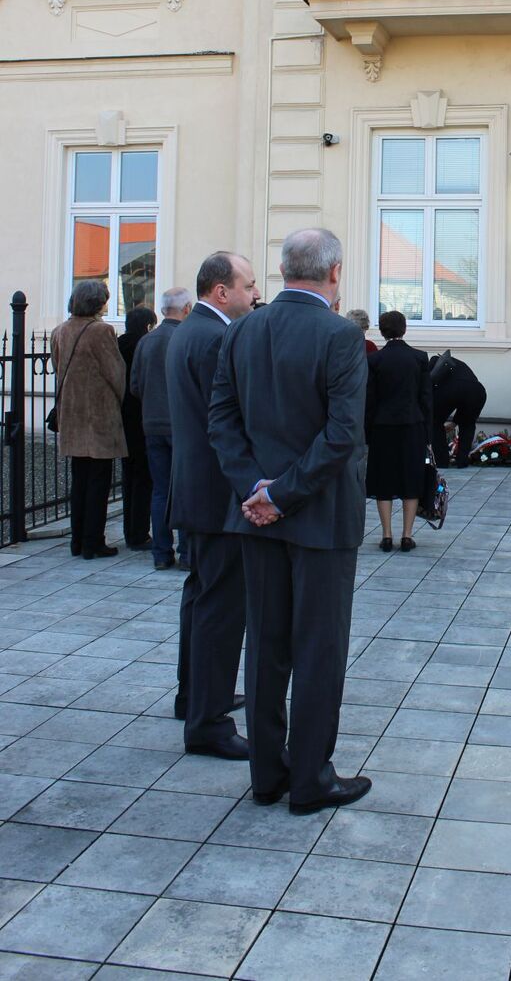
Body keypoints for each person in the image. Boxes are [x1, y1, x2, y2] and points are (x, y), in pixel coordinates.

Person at [208, 228, 371, 815]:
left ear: (281, 271)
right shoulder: (340, 335)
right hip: (319, 518)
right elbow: (342, 435)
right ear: (334, 273)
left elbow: (221, 421)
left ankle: (267, 774)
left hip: (257, 514)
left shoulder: (244, 328)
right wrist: (281, 494)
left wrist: (256, 489)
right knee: (319, 649)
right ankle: (310, 778)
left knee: (267, 645)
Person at [167, 252, 259, 759]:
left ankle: (197, 696)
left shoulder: (191, 330)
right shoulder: (214, 337)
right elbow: (227, 420)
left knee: (201, 600)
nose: (254, 294)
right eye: (248, 285)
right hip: (217, 495)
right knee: (220, 609)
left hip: (199, 490)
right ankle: (209, 722)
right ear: (221, 291)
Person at [50, 279, 127, 559]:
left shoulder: (60, 331)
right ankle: (93, 542)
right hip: (98, 415)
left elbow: (57, 367)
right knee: (98, 482)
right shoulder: (101, 331)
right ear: (98, 302)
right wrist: (119, 401)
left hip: (71, 414)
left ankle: (77, 540)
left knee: (79, 480)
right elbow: (116, 373)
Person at [131, 287, 192, 570]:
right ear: (186, 308)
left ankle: (161, 552)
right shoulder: (185, 338)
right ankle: (188, 551)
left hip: (152, 424)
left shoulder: (147, 341)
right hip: (180, 425)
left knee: (160, 490)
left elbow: (134, 385)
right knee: (185, 488)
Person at [366, 311, 432, 552]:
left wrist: (367, 432)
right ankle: (407, 535)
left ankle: (386, 535)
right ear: (404, 329)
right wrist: (428, 433)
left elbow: (369, 400)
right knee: (411, 478)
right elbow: (426, 399)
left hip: (382, 427)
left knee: (383, 478)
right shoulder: (419, 358)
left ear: (382, 332)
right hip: (413, 425)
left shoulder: (374, 360)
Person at [118, 306, 156, 550]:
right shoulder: (145, 345)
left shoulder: (117, 344)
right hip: (141, 415)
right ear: (147, 325)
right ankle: (139, 532)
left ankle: (129, 530)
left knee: (128, 476)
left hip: (121, 415)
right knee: (143, 478)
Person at [429, 352, 487, 469]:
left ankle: (441, 461)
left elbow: (430, 388)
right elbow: (465, 394)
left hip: (451, 390)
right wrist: (455, 421)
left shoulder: (433, 365)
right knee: (468, 425)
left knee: (435, 423)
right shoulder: (459, 365)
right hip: (478, 390)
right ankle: (462, 461)